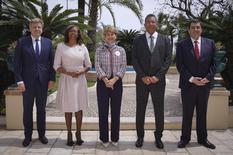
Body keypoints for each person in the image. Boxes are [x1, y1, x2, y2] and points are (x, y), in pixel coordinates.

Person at [132, 14, 172, 149]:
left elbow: (167, 61)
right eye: (148, 22)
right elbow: (135, 60)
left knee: (159, 110)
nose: (150, 24)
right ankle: (140, 136)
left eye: (153, 22)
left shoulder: (165, 40)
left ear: (157, 24)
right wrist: (143, 76)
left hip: (158, 82)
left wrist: (157, 77)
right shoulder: (138, 40)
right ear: (145, 24)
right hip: (142, 81)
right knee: (140, 109)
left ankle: (158, 137)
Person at [14, 18, 55, 147]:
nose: (36, 29)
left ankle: (42, 135)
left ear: (42, 29)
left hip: (43, 82)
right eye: (34, 27)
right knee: (27, 110)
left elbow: (51, 63)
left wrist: (52, 79)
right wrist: (19, 81)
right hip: (27, 83)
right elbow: (17, 64)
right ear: (30, 28)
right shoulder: (22, 43)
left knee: (41, 110)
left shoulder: (48, 43)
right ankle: (27, 136)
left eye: (39, 27)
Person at [176, 19, 217, 149]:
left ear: (201, 29)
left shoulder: (210, 43)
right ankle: (185, 139)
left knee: (202, 113)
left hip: (205, 85)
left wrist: (207, 78)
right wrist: (192, 79)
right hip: (188, 85)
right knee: (187, 113)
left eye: (198, 27)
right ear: (188, 30)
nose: (196, 30)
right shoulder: (182, 45)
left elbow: (214, 64)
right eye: (193, 27)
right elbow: (179, 65)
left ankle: (203, 139)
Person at [53, 25, 91, 146]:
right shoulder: (60, 47)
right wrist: (68, 73)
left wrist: (81, 71)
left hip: (80, 80)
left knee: (79, 107)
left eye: (76, 31)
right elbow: (56, 65)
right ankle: (69, 134)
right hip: (67, 80)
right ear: (67, 33)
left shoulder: (82, 47)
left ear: (79, 33)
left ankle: (78, 133)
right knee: (68, 107)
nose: (73, 33)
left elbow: (88, 65)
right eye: (71, 31)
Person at [95, 26, 126, 147]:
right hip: (103, 84)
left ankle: (115, 138)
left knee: (115, 111)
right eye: (108, 34)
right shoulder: (99, 50)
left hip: (117, 83)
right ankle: (104, 138)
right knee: (103, 112)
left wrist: (114, 79)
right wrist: (105, 79)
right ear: (104, 36)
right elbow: (97, 65)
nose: (110, 36)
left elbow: (123, 66)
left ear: (116, 36)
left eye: (112, 34)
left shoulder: (121, 50)